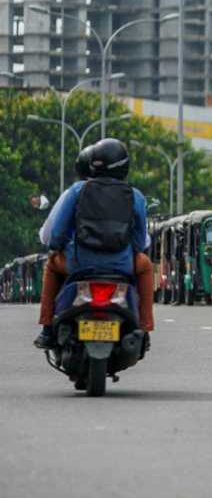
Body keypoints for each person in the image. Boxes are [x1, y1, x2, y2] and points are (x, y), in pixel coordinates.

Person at [34, 138, 155, 349]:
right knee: (145, 265)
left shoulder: (77, 191)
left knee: (52, 264)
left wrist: (61, 247)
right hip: (122, 265)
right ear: (124, 166)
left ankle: (46, 328)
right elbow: (138, 242)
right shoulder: (135, 196)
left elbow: (56, 236)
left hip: (79, 264)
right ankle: (145, 328)